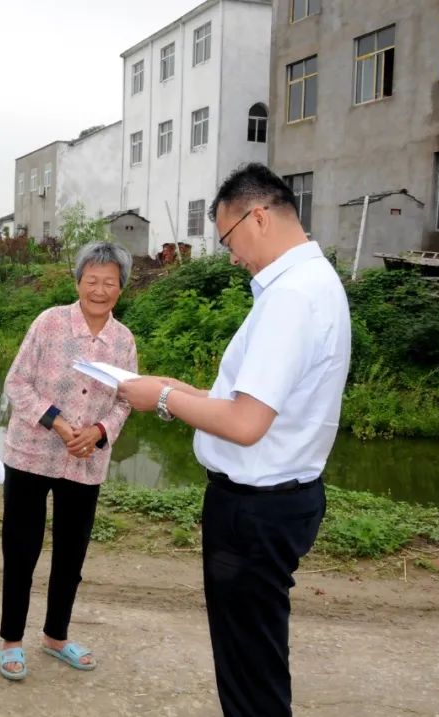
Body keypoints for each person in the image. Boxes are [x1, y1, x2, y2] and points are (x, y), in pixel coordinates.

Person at [119, 163, 351, 717]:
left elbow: (247, 425)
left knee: (249, 669)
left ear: (259, 216)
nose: (230, 254)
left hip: (255, 512)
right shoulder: (311, 284)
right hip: (277, 501)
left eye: (228, 238)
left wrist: (167, 402)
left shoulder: (291, 297)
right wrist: (181, 387)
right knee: (254, 654)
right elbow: (251, 399)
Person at [0, 242, 137, 681]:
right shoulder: (50, 323)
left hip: (85, 461)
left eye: (109, 283)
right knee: (21, 550)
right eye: (91, 280)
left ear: (121, 289)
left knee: (71, 553)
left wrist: (98, 433)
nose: (99, 290)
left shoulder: (123, 340)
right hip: (31, 453)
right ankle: (11, 641)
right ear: (77, 281)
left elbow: (126, 402)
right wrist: (57, 422)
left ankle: (56, 637)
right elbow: (16, 383)